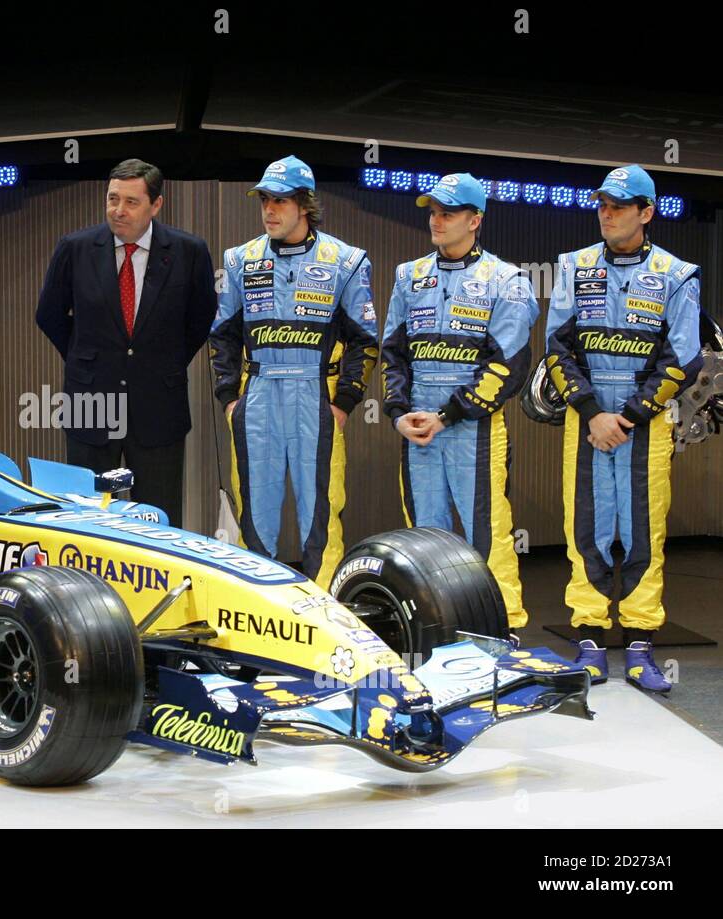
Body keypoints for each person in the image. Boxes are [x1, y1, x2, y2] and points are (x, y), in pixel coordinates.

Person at [544, 164, 701, 693]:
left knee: (640, 534)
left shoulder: (678, 274)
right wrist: (593, 413)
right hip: (586, 423)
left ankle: (638, 645)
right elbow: (558, 347)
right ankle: (588, 642)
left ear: (646, 212)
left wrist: (628, 416)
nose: (606, 214)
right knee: (584, 528)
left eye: (618, 206)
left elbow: (683, 360)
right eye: (602, 205)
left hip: (644, 427)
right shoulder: (574, 266)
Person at [209, 155, 377, 588]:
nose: (269, 210)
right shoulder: (239, 260)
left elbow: (365, 340)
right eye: (264, 199)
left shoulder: (346, 260)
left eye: (280, 201)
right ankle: (255, 611)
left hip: (315, 400)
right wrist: (230, 400)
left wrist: (343, 405)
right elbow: (222, 336)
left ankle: (325, 612)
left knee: (320, 514)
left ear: (304, 203)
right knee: (254, 512)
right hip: (258, 395)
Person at [381, 173, 538, 634]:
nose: (437, 220)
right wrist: (398, 414)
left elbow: (507, 364)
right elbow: (394, 351)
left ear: (475, 220)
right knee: (424, 536)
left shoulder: (507, 280)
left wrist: (448, 414)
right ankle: (433, 630)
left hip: (474, 429)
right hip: (418, 430)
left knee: (485, 534)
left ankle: (501, 631)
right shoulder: (409, 276)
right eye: (433, 212)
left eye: (448, 213)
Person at [36, 158, 217, 526]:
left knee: (160, 516)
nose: (118, 211)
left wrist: (163, 362)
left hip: (158, 401)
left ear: (156, 205)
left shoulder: (188, 251)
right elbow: (49, 314)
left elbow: (200, 319)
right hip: (90, 398)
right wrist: (85, 360)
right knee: (87, 517)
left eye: (131, 202)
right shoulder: (75, 247)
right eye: (112, 199)